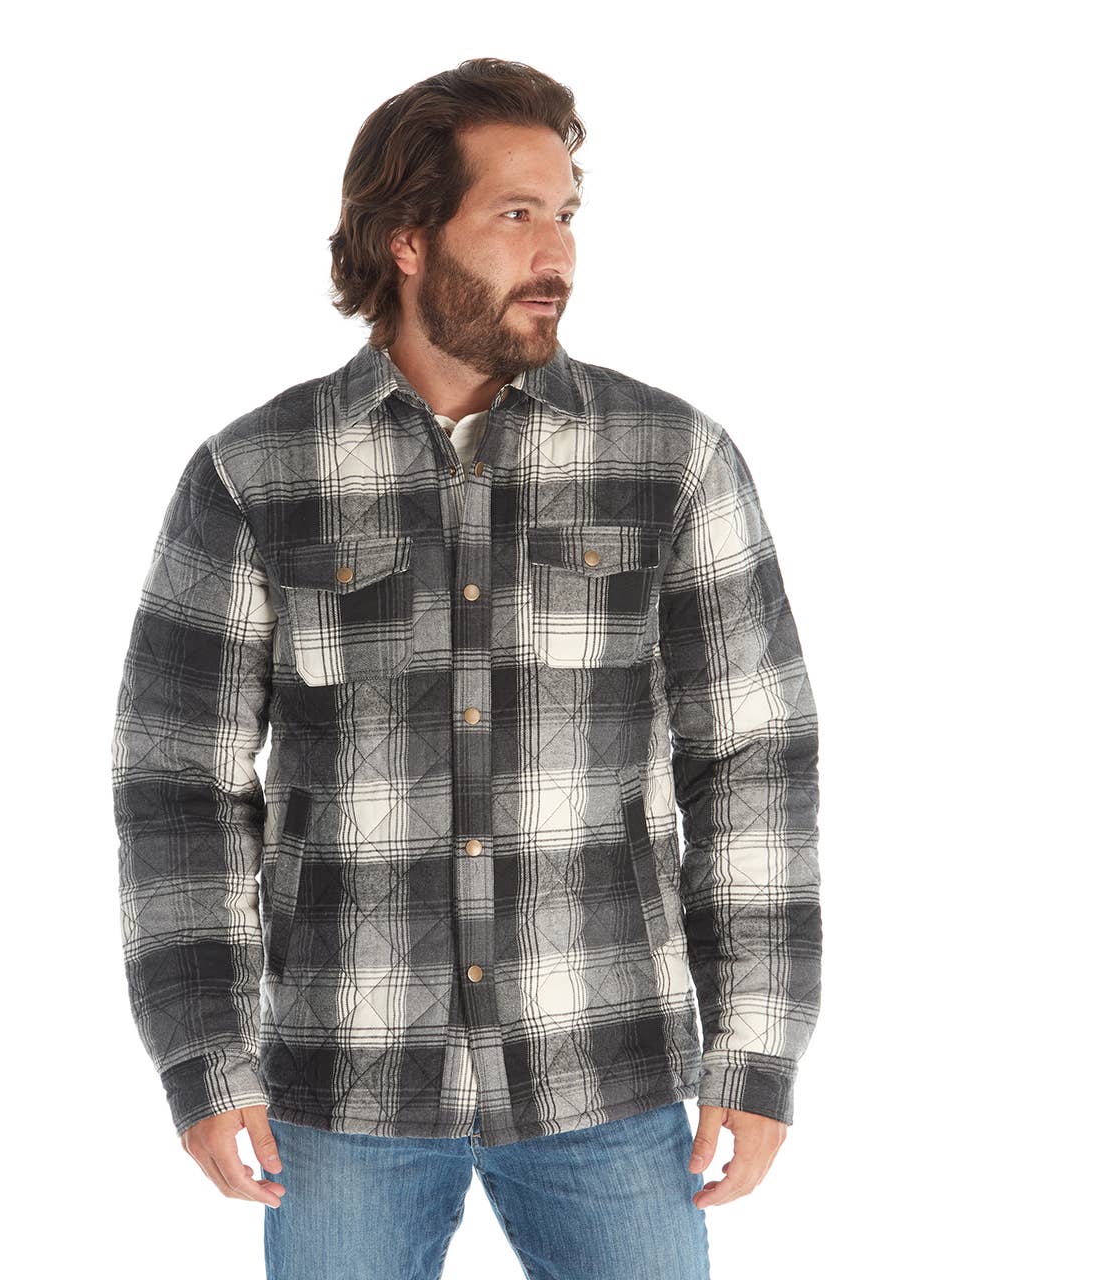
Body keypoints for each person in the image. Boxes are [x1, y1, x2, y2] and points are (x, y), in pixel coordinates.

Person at [111, 56, 821, 1280]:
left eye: (566, 214)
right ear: (406, 240)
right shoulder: (253, 473)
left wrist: (754, 1047)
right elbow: (178, 779)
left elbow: (751, 754)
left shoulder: (672, 459)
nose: (557, 253)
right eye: (515, 213)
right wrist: (203, 1054)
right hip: (344, 1075)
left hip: (601, 1057)